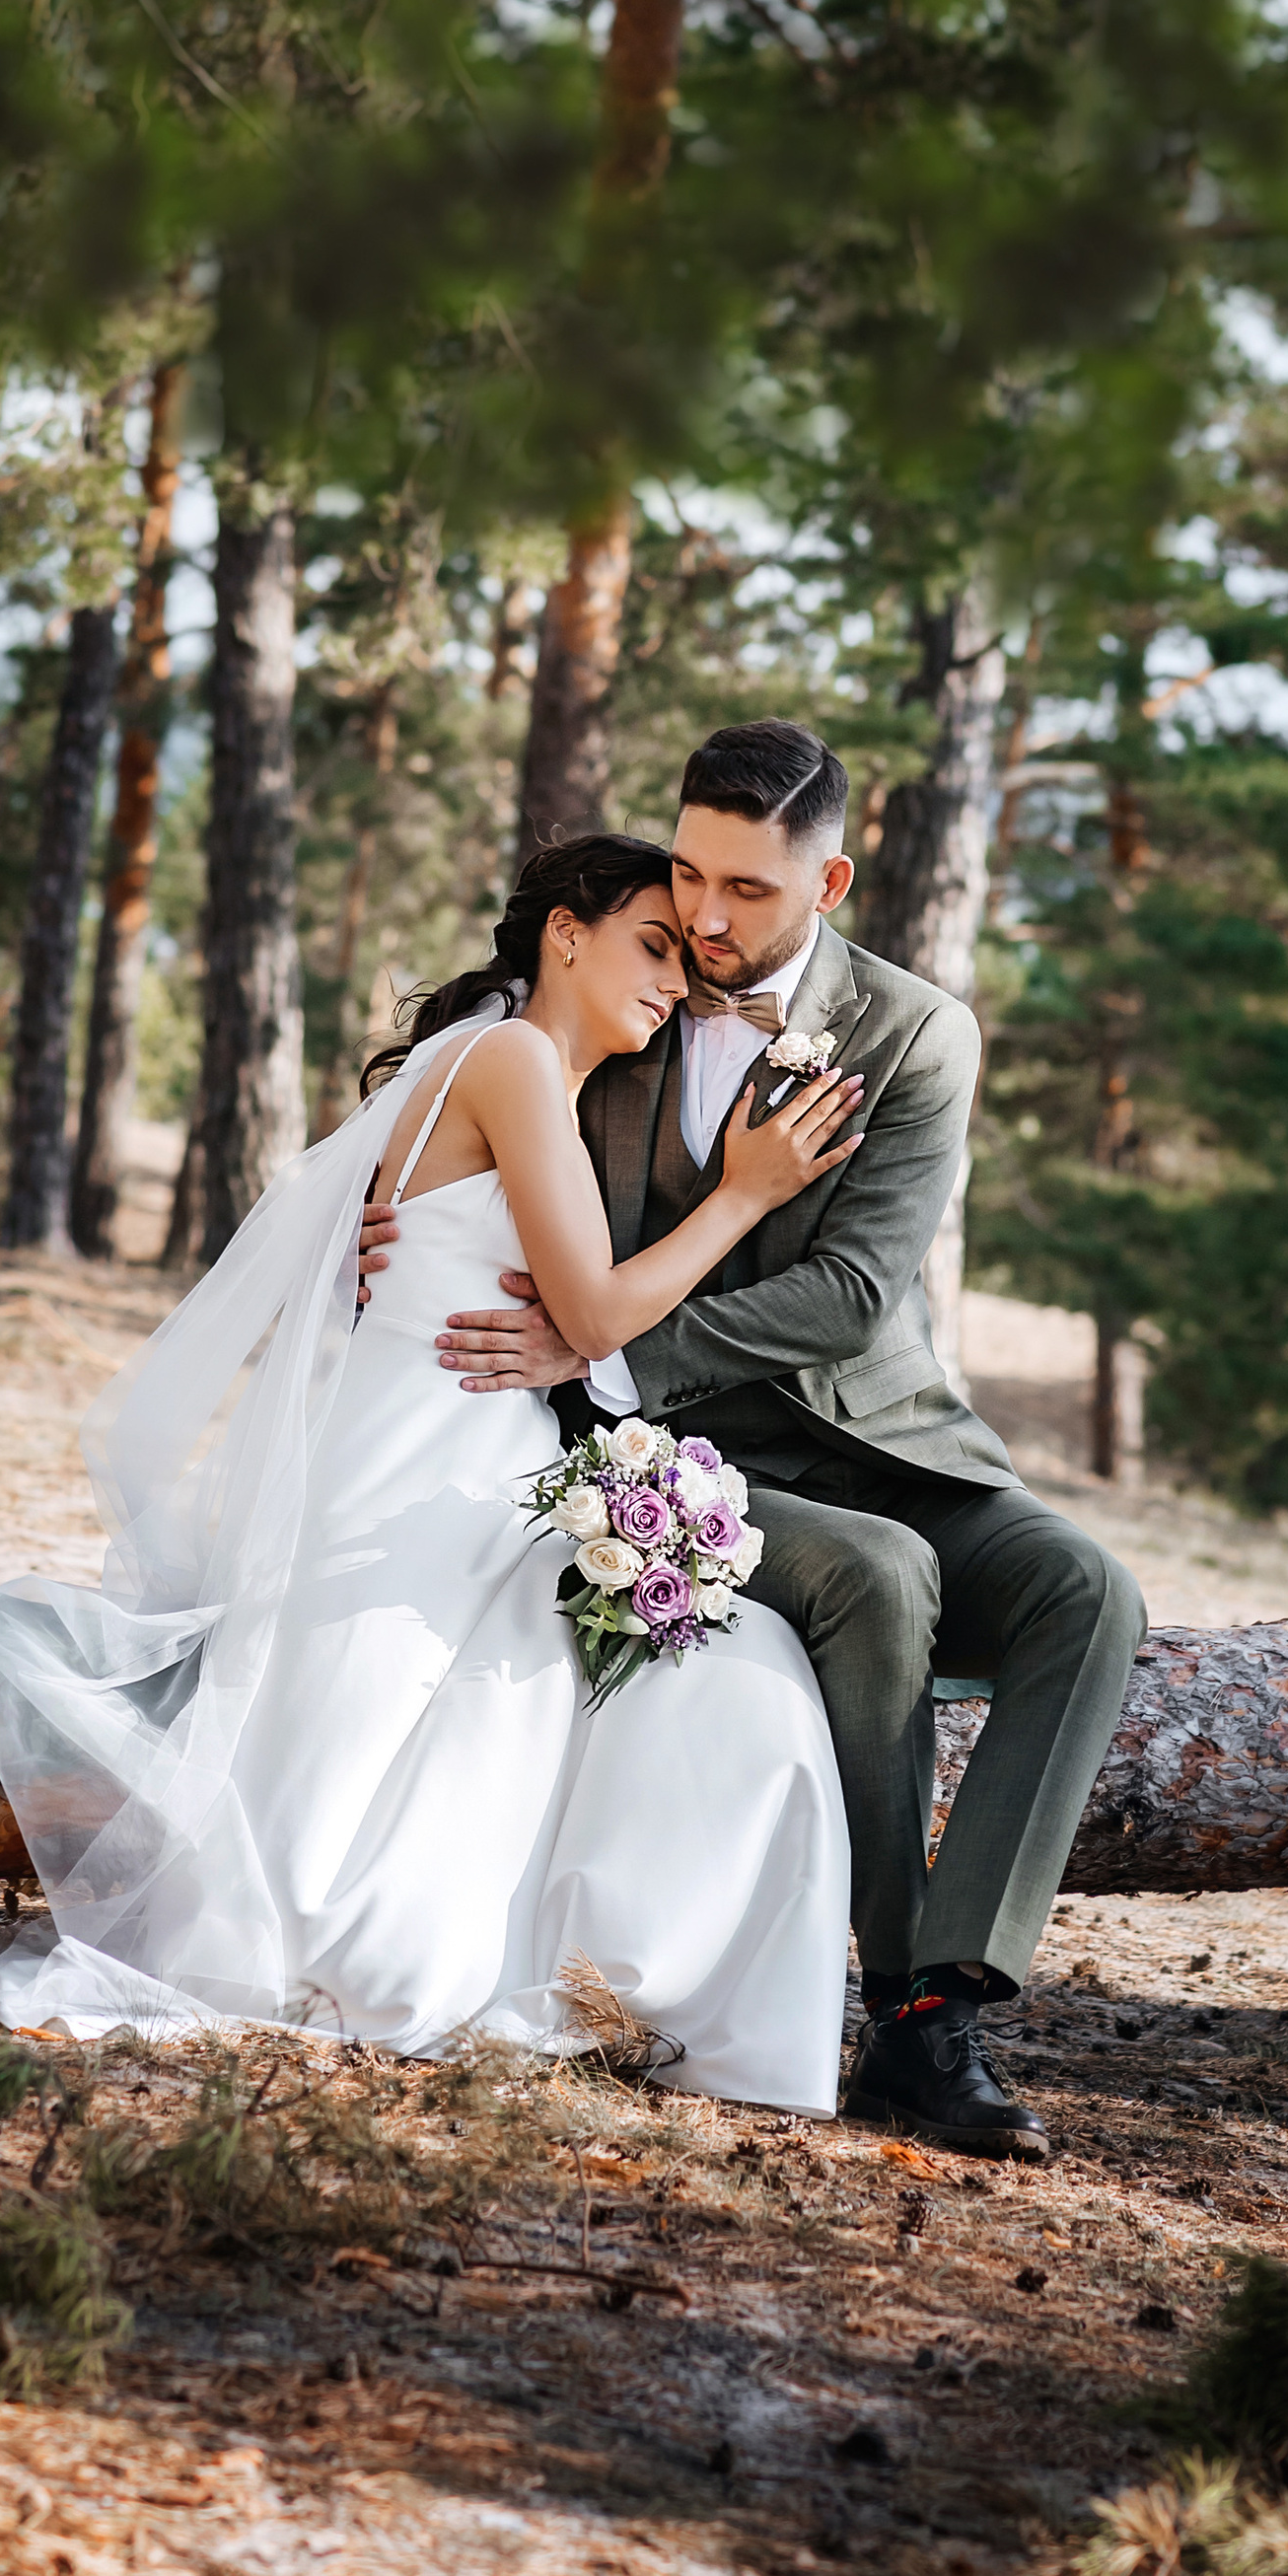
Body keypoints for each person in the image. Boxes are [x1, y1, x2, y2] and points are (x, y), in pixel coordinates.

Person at [0, 835, 864, 2113]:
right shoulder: (509, 1060)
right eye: (652, 945)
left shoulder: (500, 1064)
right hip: (431, 1476)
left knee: (682, 1672)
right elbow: (597, 1312)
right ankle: (629, 1974)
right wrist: (744, 1195)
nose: (673, 982)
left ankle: (625, 1969)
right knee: (676, 1682)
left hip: (454, 1456)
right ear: (563, 932)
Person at [362, 720, 1147, 2164]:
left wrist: (602, 1336)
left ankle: (950, 1983)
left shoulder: (918, 1034)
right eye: (690, 876)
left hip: (890, 1440)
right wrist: (407, 1229)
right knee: (881, 1580)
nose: (710, 921)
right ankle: (918, 2028)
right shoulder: (629, 983)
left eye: (751, 892)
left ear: (830, 880)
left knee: (1088, 1593)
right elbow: (475, 1097)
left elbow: (854, 1291)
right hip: (668, 1459)